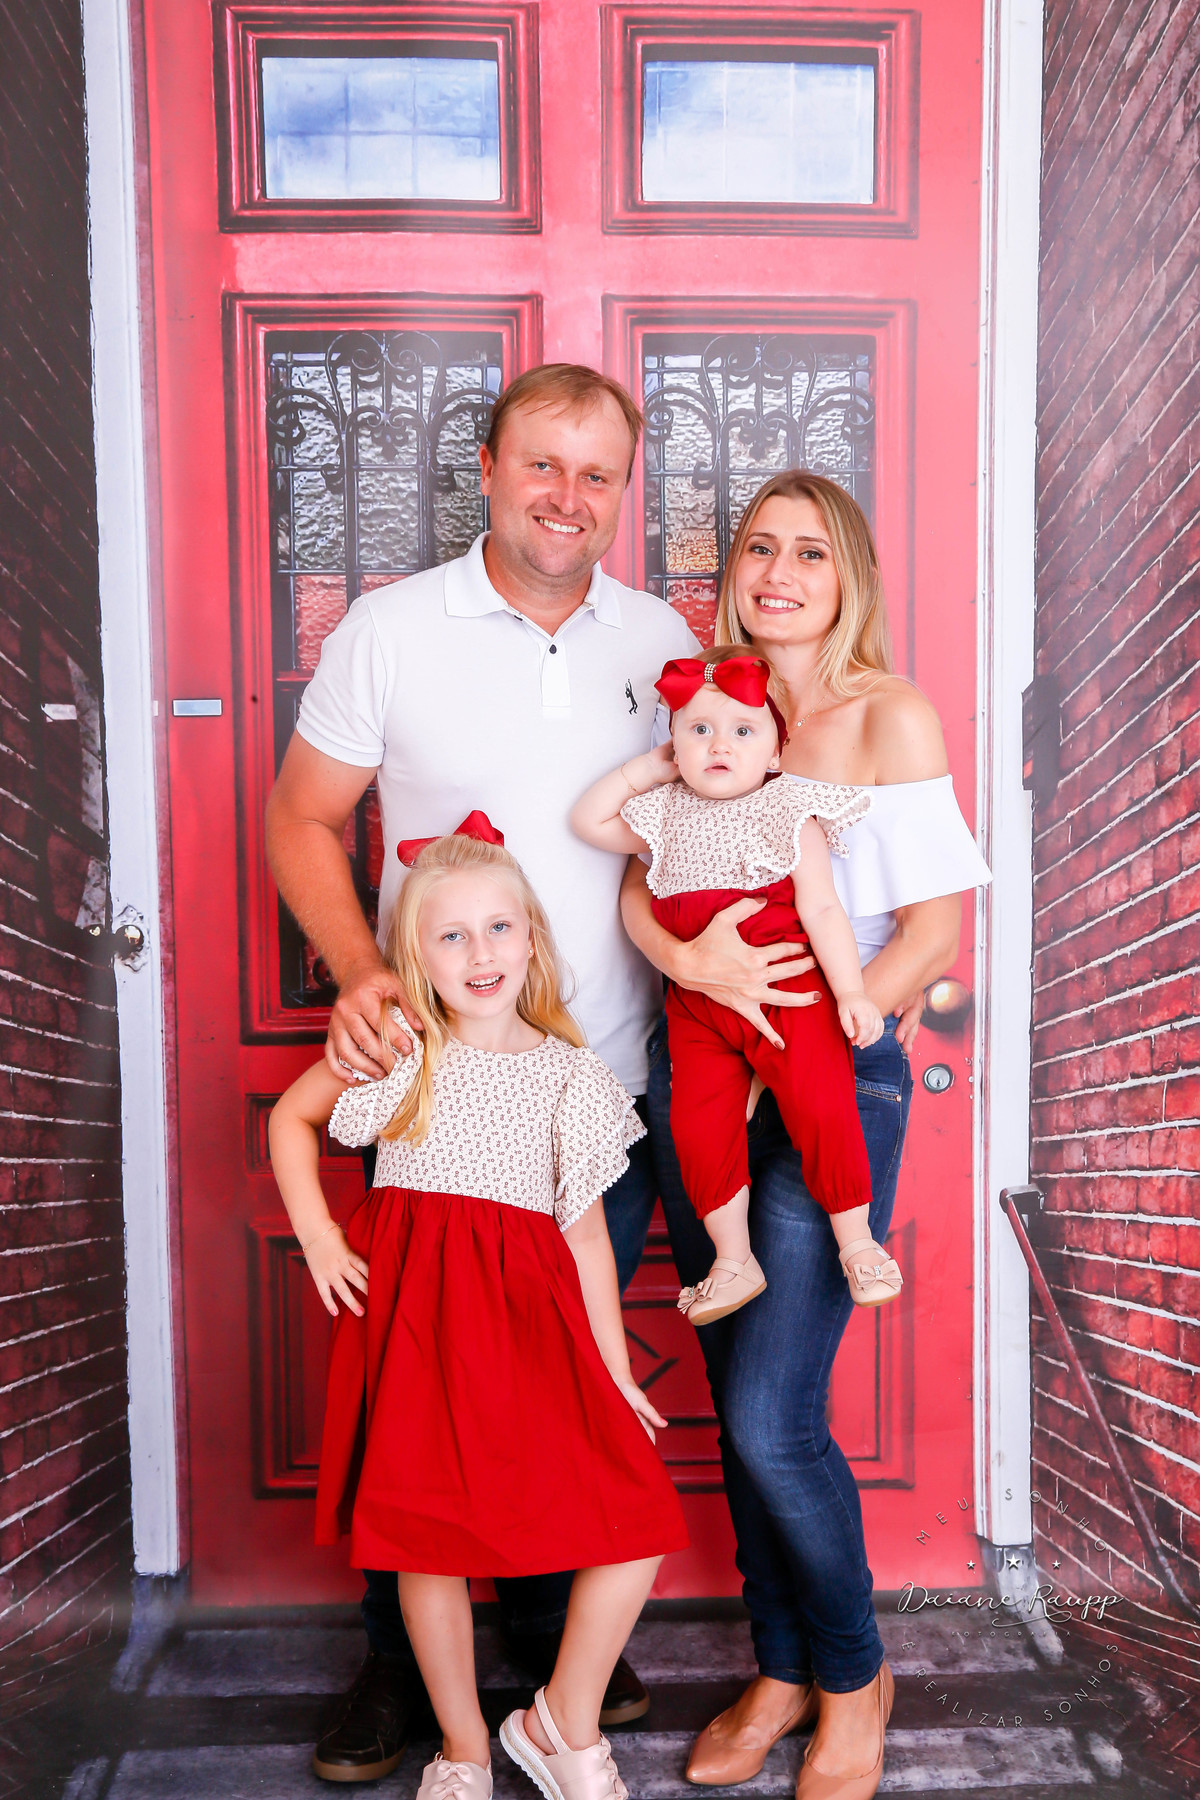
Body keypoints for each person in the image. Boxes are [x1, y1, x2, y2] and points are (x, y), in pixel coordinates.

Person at [265, 363, 740, 1779]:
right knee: (412, 1387)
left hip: (601, 1085)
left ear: (624, 491)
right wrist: (364, 974)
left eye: (598, 474)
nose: (567, 498)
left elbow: (693, 829)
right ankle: (396, 1667)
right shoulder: (391, 629)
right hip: (427, 1083)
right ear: (486, 466)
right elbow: (301, 820)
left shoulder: (659, 640)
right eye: (543, 464)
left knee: (550, 1384)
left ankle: (543, 1655)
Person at [619, 472, 991, 1800]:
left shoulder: (889, 714)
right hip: (702, 1079)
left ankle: (849, 1678)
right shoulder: (708, 709)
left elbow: (934, 936)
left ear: (851, 580)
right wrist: (690, 966)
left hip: (834, 1084)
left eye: (811, 554)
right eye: (760, 549)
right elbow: (640, 881)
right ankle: (777, 1669)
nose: (780, 573)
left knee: (775, 1416)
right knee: (736, 1402)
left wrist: (807, 1060)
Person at [269, 825, 687, 1800]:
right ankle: (463, 1748)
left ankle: (561, 1723)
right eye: (451, 936)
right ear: (417, 957)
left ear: (531, 938)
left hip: (530, 1335)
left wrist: (615, 1369)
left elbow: (587, 1239)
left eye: (499, 927)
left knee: (635, 1524)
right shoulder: (403, 1050)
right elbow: (291, 1117)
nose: (481, 952)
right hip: (418, 1330)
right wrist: (322, 1238)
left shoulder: (570, 1075)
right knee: (427, 1542)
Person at [573, 647, 901, 1328]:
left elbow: (822, 909)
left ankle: (857, 1241)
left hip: (791, 993)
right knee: (698, 1127)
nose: (719, 745)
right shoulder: (662, 812)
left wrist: (852, 993)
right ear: (675, 744)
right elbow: (588, 822)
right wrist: (646, 770)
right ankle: (732, 1257)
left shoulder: (789, 809)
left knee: (823, 1104)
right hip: (697, 1010)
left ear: (777, 748)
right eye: (699, 730)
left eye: (743, 731)